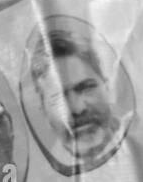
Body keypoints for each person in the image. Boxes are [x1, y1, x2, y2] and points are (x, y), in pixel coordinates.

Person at [28, 26, 129, 172]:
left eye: (86, 88)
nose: (77, 108)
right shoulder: (42, 179)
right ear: (43, 109)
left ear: (107, 87)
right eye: (59, 97)